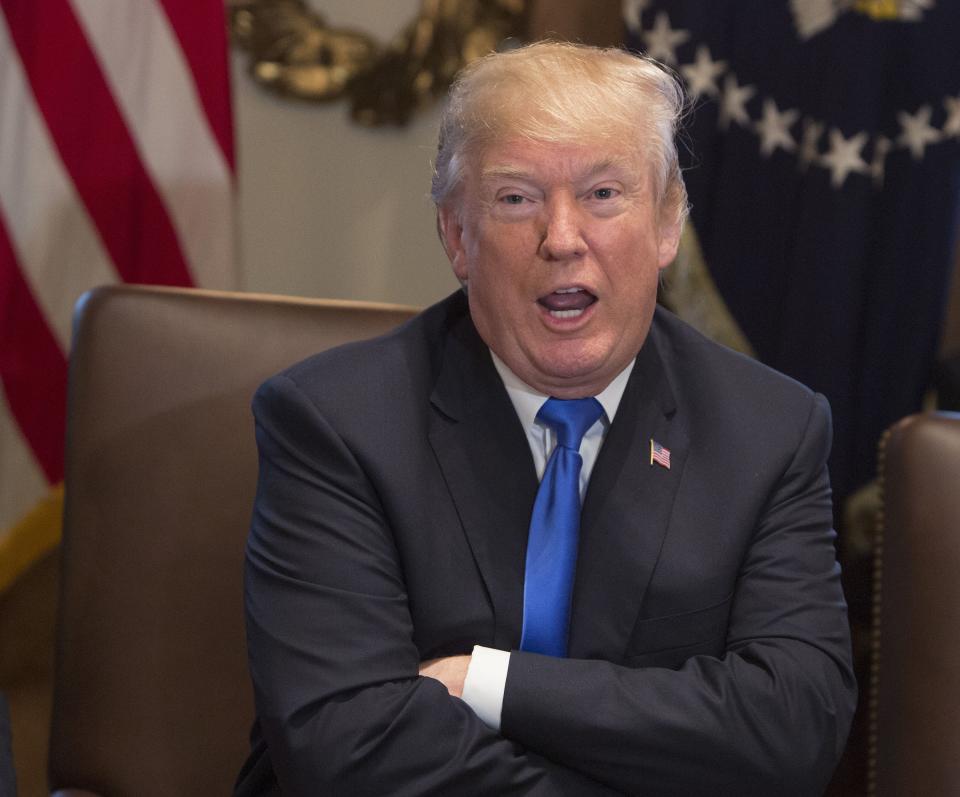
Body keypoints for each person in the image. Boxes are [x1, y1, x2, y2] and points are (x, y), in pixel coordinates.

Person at [235, 42, 856, 796]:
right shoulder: (332, 423)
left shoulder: (771, 430)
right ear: (457, 236)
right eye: (516, 197)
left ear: (666, 225)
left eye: (602, 194)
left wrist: (491, 683)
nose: (562, 239)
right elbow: (345, 746)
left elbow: (795, 725)